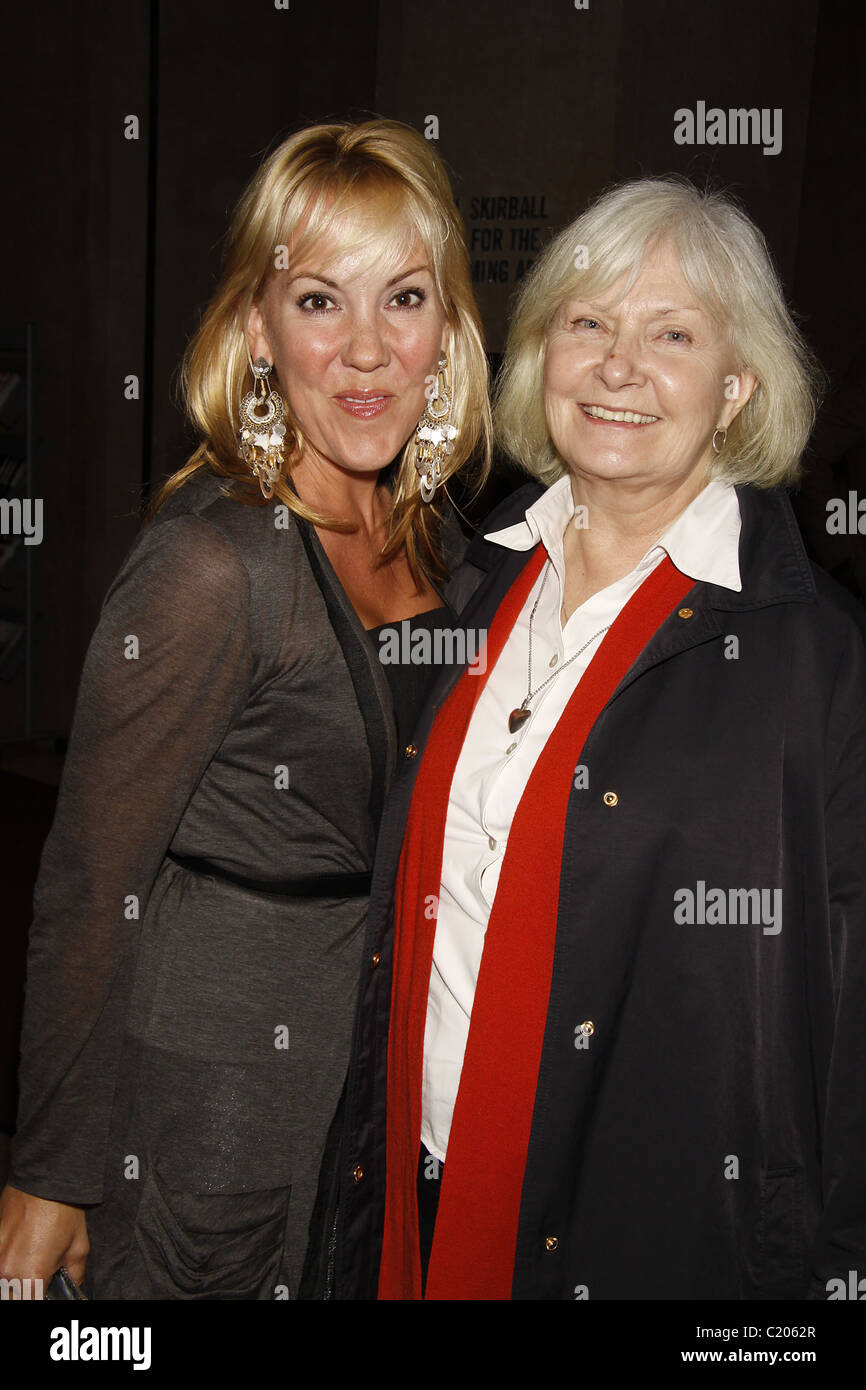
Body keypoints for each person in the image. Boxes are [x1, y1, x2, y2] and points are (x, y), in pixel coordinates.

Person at [335, 176, 866, 1300]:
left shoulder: (812, 658)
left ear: (735, 387)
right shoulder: (464, 580)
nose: (617, 367)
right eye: (586, 324)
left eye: (669, 333)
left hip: (651, 1232)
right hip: (412, 1181)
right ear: (540, 359)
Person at [0, 118, 490, 1300]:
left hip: (361, 1088)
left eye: (403, 299)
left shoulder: (443, 543)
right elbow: (89, 879)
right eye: (320, 302)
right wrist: (51, 1176)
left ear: (448, 330)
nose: (367, 351)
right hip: (210, 1114)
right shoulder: (215, 565)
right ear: (258, 331)